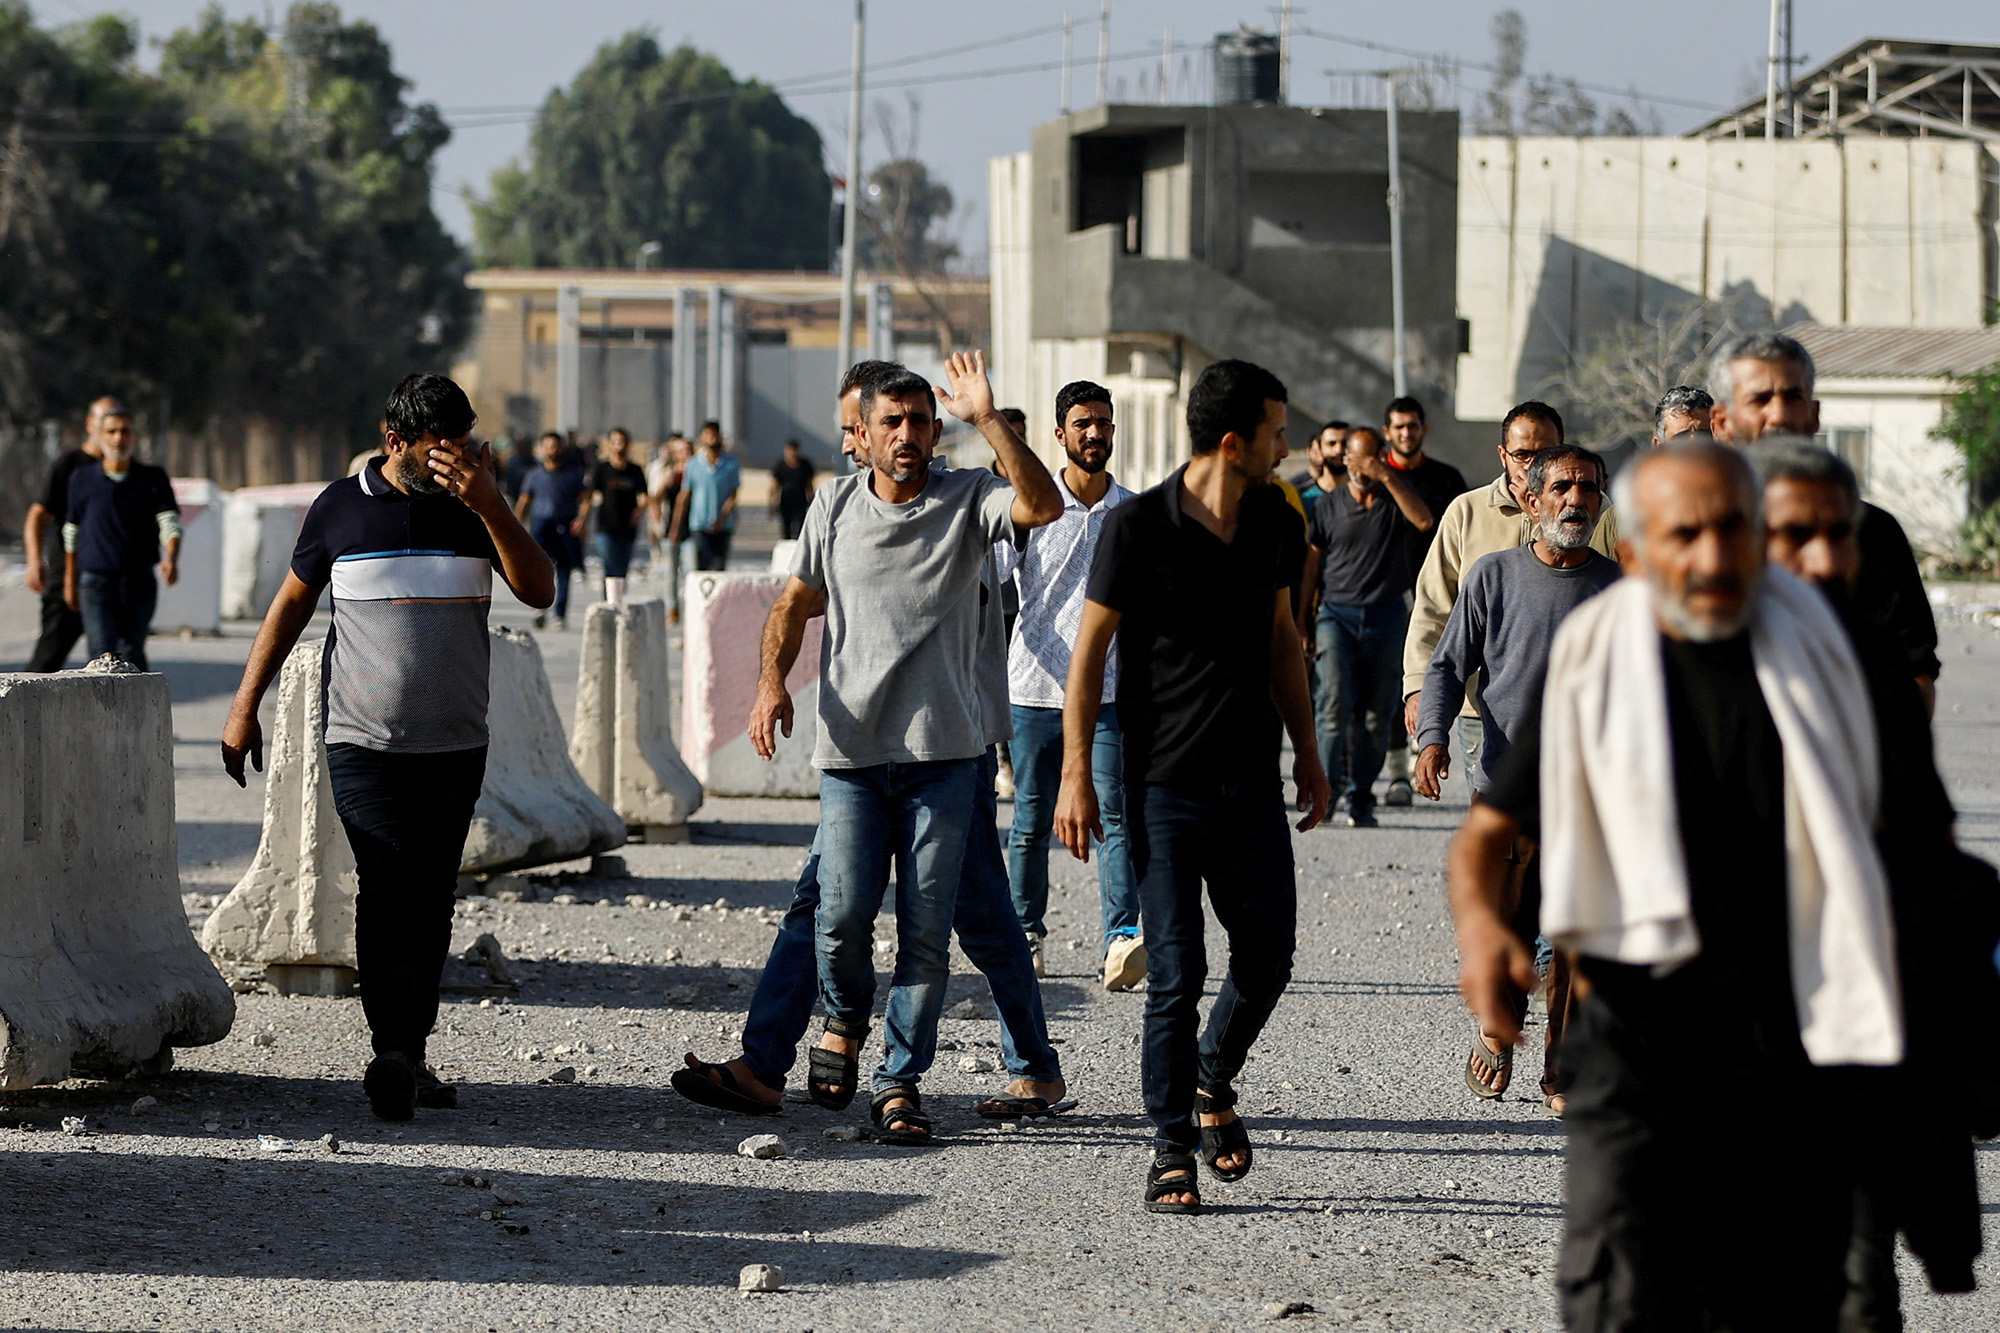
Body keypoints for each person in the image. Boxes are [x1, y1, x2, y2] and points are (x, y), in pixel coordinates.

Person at [1449, 441, 1923, 1328]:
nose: (1708, 553)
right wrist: (1483, 932)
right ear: (1643, 548)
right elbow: (1487, 831)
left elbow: (1917, 851)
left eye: (1729, 529)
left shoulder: (1831, 660)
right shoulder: (1600, 650)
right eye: (1683, 531)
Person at [673, 358, 1072, 1126]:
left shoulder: (968, 497)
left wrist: (988, 418)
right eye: (887, 422)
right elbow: (795, 602)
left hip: (949, 755)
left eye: (919, 421)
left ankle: (896, 1080)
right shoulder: (833, 507)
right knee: (842, 914)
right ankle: (852, 1023)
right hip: (854, 754)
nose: (903, 436)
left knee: (933, 926)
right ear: (860, 430)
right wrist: (769, 685)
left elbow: (1042, 506)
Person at [219, 374, 555, 1121]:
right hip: (362, 743)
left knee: (432, 895)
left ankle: (408, 1050)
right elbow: (288, 609)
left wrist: (490, 502)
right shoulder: (339, 511)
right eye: (443, 452)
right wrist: (244, 709)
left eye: (466, 450)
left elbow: (539, 589)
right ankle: (393, 1049)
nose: (455, 465)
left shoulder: (476, 511)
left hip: (455, 745)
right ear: (395, 441)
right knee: (386, 883)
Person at [1055, 358, 1331, 1215]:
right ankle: (1171, 1145)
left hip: (1248, 783)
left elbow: (1284, 640)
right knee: (1176, 971)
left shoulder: (1277, 524)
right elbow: (1089, 654)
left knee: (1269, 957)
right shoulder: (1137, 527)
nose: (1287, 447)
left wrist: (1309, 754)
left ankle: (1215, 1077)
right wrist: (1075, 773)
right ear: (1232, 440)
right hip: (1161, 784)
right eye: (1277, 432)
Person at [1749, 438, 1987, 1333]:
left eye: (1836, 533)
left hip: (1854, 1022)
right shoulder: (1677, 665)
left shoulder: (1878, 672)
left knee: (1858, 1275)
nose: (1819, 556)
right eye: (1792, 533)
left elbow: (1932, 843)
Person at [1414, 444, 1620, 1114]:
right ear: (1533, 500)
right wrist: (1433, 734)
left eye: (1588, 489)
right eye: (1562, 487)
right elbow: (1448, 667)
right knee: (1507, 927)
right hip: (1507, 791)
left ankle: (1562, 1071)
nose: (1576, 500)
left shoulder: (1619, 590)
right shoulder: (1493, 577)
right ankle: (1498, 1026)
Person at [1706, 329, 1940, 715]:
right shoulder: (1693, 529)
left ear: (1814, 414)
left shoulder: (1871, 531)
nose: (1779, 415)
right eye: (1760, 400)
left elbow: (1913, 672)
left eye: (1792, 397)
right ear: (1721, 421)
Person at [997, 380, 1143, 990]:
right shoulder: (1031, 507)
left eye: (1104, 424)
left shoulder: (1134, 513)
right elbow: (988, 583)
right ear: (1059, 434)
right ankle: (1025, 934)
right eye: (1083, 423)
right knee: (1031, 817)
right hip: (1033, 687)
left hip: (1109, 693)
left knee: (1114, 813)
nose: (1095, 434)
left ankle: (1121, 940)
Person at [1402, 402, 1620, 773]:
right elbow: (1435, 610)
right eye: (1522, 455)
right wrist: (1421, 691)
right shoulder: (1467, 514)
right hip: (1482, 712)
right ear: (1503, 455)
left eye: (1544, 453)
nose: (1532, 465)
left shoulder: (1599, 515)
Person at [1297, 426, 1433, 827]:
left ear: (1380, 456)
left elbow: (1424, 521)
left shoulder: (1395, 498)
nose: (1356, 465)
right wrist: (1304, 617)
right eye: (1352, 457)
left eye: (1366, 457)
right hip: (1335, 616)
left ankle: (1361, 796)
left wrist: (1386, 475)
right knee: (1333, 707)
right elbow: (1312, 563)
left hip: (1386, 617)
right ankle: (1328, 792)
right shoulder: (1328, 505)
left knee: (1377, 715)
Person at [1379, 396, 1467, 806]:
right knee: (1395, 684)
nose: (1406, 433)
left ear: (1423, 429)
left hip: (1436, 597)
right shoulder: (1376, 481)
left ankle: (1427, 754)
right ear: (1387, 432)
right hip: (1387, 597)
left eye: (1412, 426)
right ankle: (1397, 770)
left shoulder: (1447, 479)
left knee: (1435, 676)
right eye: (1398, 427)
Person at [61, 408, 180, 672]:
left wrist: (171, 558)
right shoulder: (82, 479)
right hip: (96, 583)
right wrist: (70, 579)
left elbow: (169, 523)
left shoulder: (152, 479)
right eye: (111, 432)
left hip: (138, 582)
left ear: (134, 436)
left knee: (132, 653)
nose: (118, 438)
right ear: (100, 436)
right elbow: (71, 532)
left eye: (125, 431)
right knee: (100, 655)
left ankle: (138, 711)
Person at [23, 396, 119, 671]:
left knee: (116, 660)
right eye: (106, 425)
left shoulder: (123, 469)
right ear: (92, 425)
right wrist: (34, 562)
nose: (113, 435)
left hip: (109, 579)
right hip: (67, 575)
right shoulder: (70, 465)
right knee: (48, 659)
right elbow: (37, 516)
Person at [513, 431, 585, 629]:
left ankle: (559, 614)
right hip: (541, 525)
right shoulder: (534, 475)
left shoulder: (572, 474)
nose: (552, 450)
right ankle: (540, 607)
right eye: (548, 446)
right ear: (542, 448)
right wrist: (515, 525)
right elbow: (524, 500)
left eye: (555, 446)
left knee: (563, 570)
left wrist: (582, 520)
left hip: (564, 525)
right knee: (539, 568)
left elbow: (585, 498)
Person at [577, 427, 648, 606]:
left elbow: (645, 497)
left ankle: (618, 601)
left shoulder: (635, 470)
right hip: (606, 526)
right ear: (609, 444)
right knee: (609, 566)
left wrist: (638, 512)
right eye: (615, 442)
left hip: (628, 528)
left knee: (622, 568)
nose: (619, 446)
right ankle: (609, 604)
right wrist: (582, 520)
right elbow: (590, 496)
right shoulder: (602, 469)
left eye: (622, 442)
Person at [673, 420, 741, 572]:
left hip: (723, 526)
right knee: (701, 568)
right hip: (699, 524)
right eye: (708, 436)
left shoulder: (731, 463)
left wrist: (722, 518)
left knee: (718, 568)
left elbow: (733, 495)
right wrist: (676, 525)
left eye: (714, 435)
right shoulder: (694, 463)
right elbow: (685, 495)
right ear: (702, 438)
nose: (712, 439)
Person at [648, 434, 690, 621]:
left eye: (688, 450)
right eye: (681, 451)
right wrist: (655, 511)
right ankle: (672, 608)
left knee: (691, 571)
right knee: (671, 571)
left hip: (692, 528)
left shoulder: (697, 470)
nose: (685, 455)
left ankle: (691, 608)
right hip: (671, 528)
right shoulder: (670, 472)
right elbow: (657, 495)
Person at [769, 438, 816, 541]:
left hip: (800, 502)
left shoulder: (805, 465)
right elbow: (775, 486)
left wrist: (813, 501)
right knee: (786, 530)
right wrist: (772, 503)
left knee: (801, 528)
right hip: (785, 501)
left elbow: (810, 485)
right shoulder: (780, 466)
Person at [1297, 421, 1347, 509]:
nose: (1338, 450)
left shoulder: (1368, 495)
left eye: (1345, 443)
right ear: (1320, 450)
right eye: (1331, 444)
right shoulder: (1302, 498)